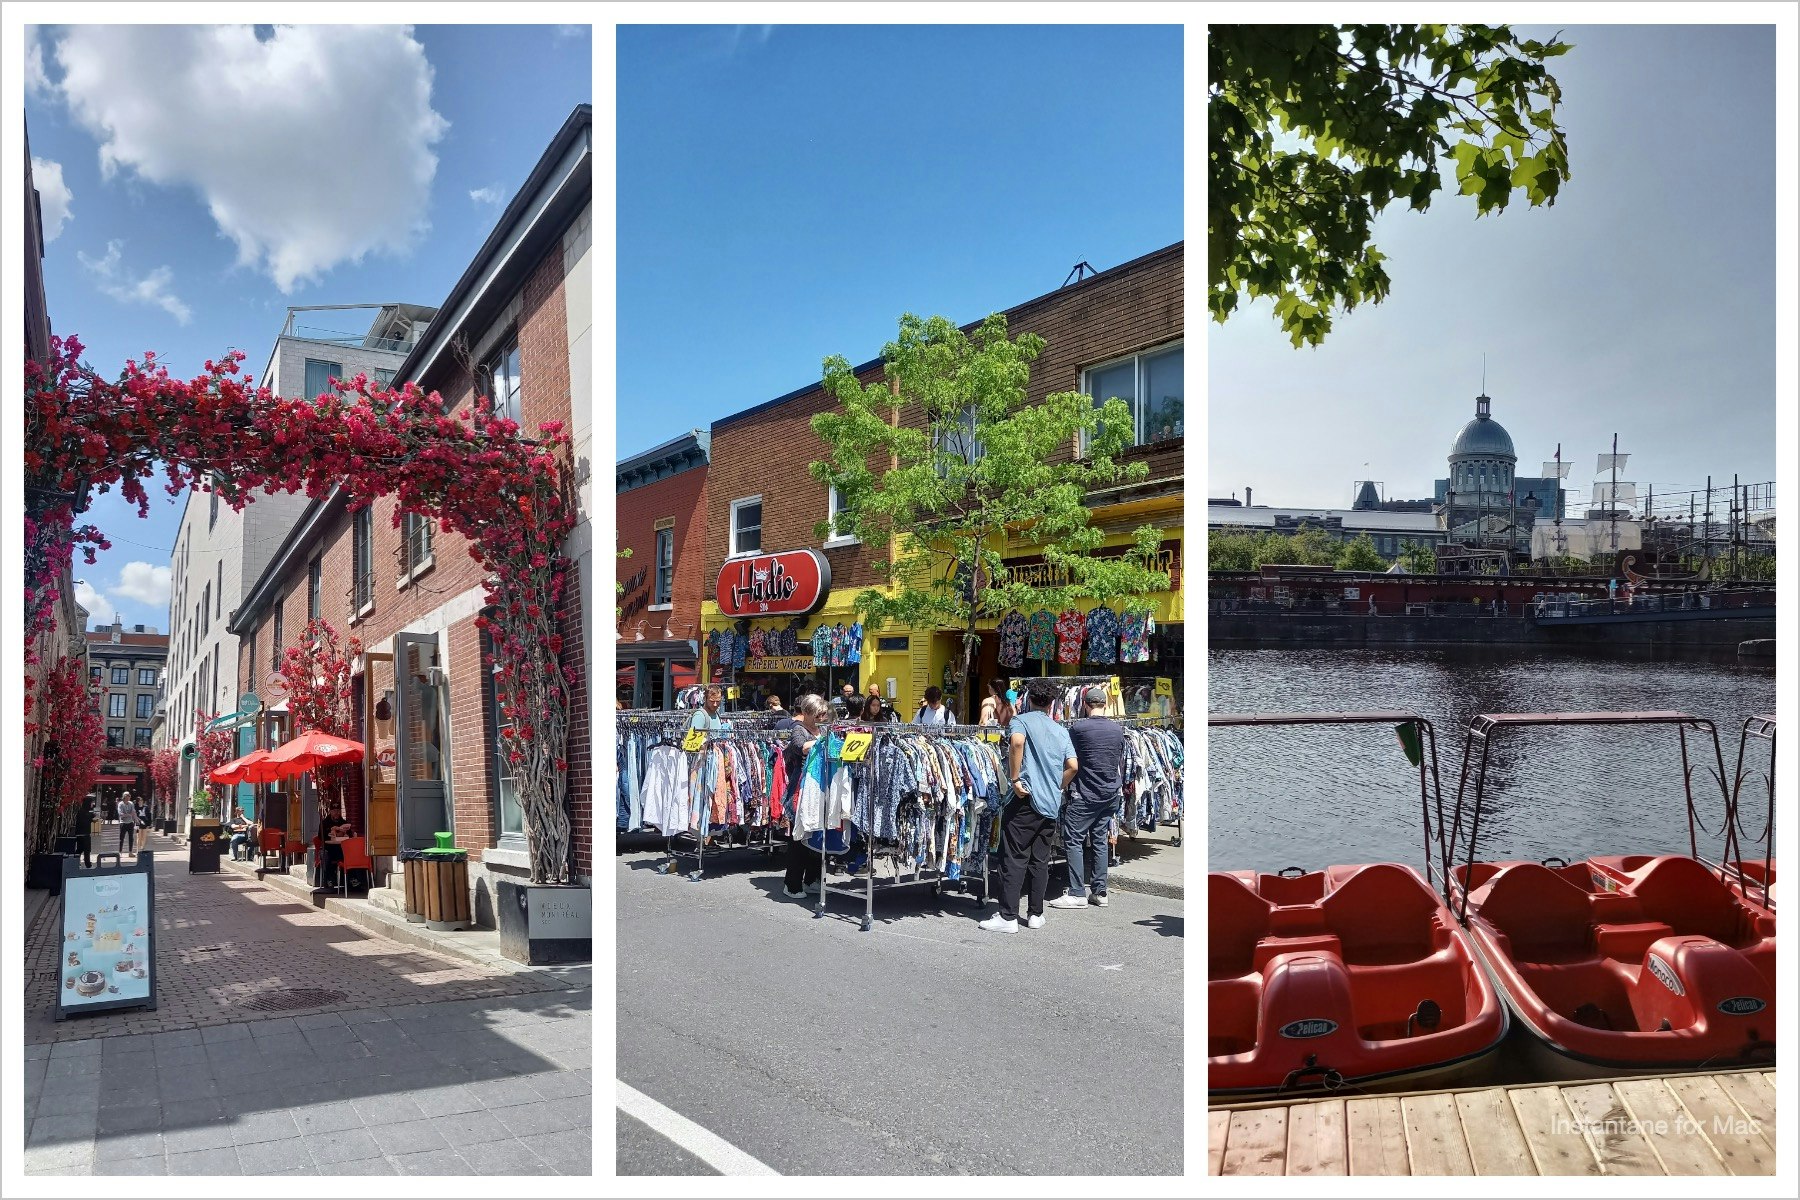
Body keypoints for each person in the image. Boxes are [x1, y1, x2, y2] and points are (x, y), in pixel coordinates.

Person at [981, 679, 1077, 934]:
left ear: (1030, 699)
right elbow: (1073, 766)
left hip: (1025, 800)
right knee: (1040, 860)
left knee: (1013, 858)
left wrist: (1014, 778)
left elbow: (1017, 742)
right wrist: (1059, 786)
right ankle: (1036, 914)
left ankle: (1008, 916)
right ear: (1052, 703)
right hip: (1050, 803)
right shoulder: (1060, 730)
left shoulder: (1020, 721)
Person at [1050, 685, 1124, 909]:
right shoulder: (1118, 730)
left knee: (1074, 840)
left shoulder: (1078, 729)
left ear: (1084, 704)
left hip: (1086, 794)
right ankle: (1100, 891)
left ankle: (1076, 892)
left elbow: (1069, 759)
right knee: (1100, 840)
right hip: (1110, 793)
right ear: (1105, 704)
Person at [780, 695, 831, 898]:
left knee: (817, 835)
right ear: (808, 713)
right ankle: (791, 883)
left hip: (820, 787)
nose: (822, 717)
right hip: (800, 789)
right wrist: (821, 743)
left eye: (824, 714)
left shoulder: (824, 729)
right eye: (819, 714)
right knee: (798, 838)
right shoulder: (798, 729)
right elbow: (801, 747)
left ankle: (812, 879)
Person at [74, 792, 97, 869]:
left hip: (82, 833)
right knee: (87, 849)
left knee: (80, 849)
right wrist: (93, 818)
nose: (92, 805)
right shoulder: (84, 812)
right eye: (91, 803)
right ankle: (88, 864)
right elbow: (85, 821)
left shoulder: (83, 811)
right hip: (84, 834)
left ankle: (76, 862)